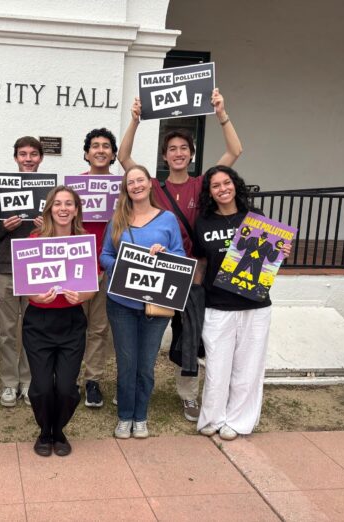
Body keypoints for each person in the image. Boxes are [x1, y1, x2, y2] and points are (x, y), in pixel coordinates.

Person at [118, 88, 243, 422]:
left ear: (191, 154)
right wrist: (135, 121)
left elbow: (235, 150)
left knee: (191, 334)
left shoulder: (203, 183)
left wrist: (221, 112)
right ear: (164, 156)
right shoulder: (154, 187)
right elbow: (124, 158)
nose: (177, 153)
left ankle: (188, 396)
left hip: (195, 273)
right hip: (160, 272)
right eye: (171, 149)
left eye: (183, 149)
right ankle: (133, 389)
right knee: (152, 327)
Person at [193, 166, 290, 441]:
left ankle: (238, 421)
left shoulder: (255, 217)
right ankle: (212, 417)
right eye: (215, 185)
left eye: (227, 183)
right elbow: (201, 262)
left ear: (235, 185)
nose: (222, 189)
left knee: (248, 366)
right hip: (216, 305)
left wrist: (282, 253)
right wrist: (194, 297)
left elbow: (268, 261)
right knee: (216, 366)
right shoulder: (203, 222)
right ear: (209, 192)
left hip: (255, 305)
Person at [100, 165, 184, 438]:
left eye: (140, 180)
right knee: (127, 363)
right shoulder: (117, 219)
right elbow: (104, 255)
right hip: (122, 303)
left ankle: (141, 416)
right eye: (130, 181)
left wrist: (165, 254)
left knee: (146, 365)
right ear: (126, 188)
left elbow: (180, 256)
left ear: (150, 184)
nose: (135, 185)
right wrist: (122, 264)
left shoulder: (168, 219)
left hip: (155, 306)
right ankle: (125, 416)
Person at [23, 186, 97, 457]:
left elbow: (92, 286)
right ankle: (45, 431)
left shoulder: (85, 240)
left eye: (69, 204)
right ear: (50, 209)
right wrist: (36, 296)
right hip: (38, 322)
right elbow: (25, 284)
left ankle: (59, 430)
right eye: (58, 204)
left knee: (66, 387)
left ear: (76, 209)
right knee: (41, 387)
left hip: (71, 321)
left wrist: (83, 296)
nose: (63, 208)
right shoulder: (34, 239)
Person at [0, 136, 44, 407]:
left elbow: (60, 232)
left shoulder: (49, 191)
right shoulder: (1, 188)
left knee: (33, 329)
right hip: (6, 268)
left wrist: (48, 227)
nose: (28, 158)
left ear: (40, 158)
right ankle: (9, 383)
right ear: (16, 157)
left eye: (33, 154)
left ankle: (29, 381)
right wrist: (4, 227)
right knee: (8, 331)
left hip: (36, 268)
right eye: (23, 154)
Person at [78, 127, 118, 408]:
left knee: (99, 328)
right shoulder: (74, 186)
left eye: (106, 146)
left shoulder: (123, 189)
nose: (100, 150)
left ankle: (92, 380)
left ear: (113, 154)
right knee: (73, 326)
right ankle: (69, 377)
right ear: (86, 153)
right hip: (77, 268)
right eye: (95, 145)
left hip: (108, 266)